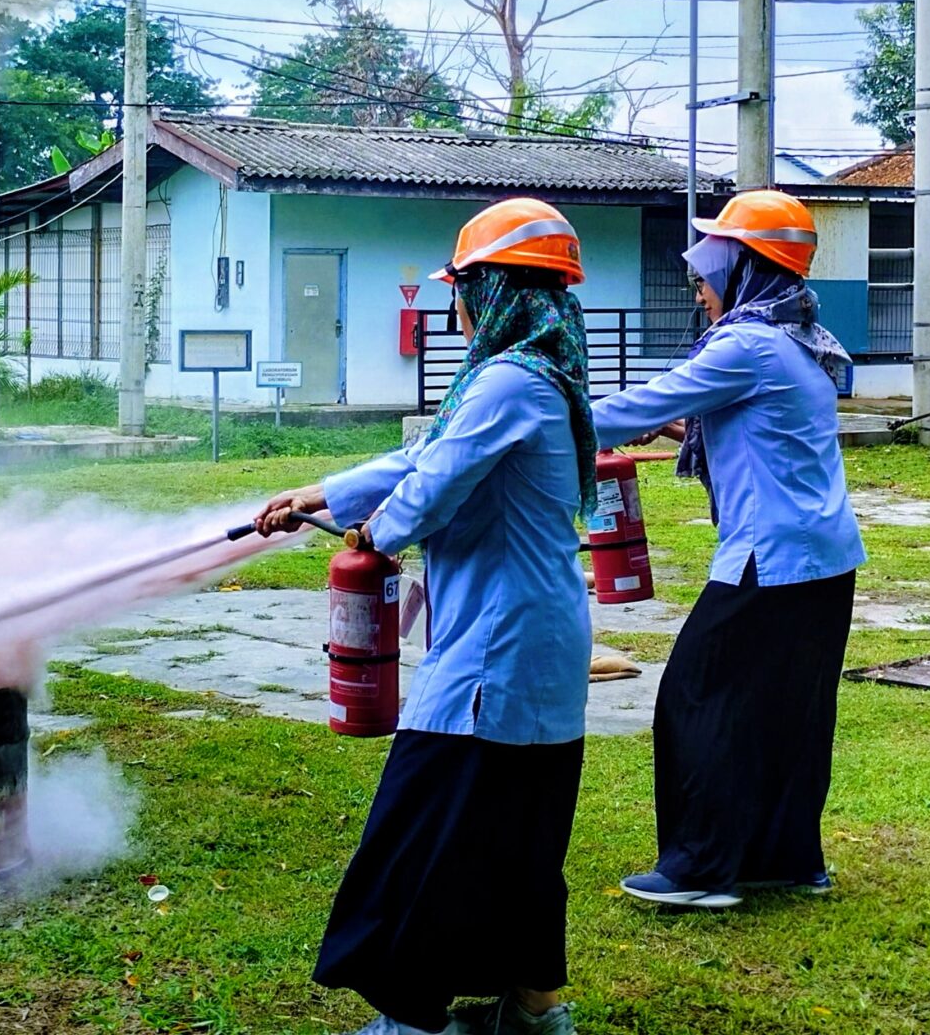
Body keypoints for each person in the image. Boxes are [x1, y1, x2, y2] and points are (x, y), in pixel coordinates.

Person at [253, 197, 594, 1035]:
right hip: (531, 635)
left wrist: (375, 530)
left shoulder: (510, 380)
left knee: (422, 827)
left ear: (494, 290)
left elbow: (434, 487)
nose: (457, 307)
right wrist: (319, 496)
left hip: (498, 646)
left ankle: (413, 1017)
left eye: (463, 289)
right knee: (520, 835)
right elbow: (421, 459)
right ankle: (533, 1008)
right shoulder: (538, 375)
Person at [589, 190, 866, 911]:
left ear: (748, 268)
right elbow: (761, 438)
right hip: (824, 557)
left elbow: (639, 402)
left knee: (696, 696)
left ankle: (699, 869)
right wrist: (679, 431)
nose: (702, 288)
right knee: (786, 712)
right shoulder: (798, 338)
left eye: (713, 269)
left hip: (771, 558)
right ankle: (784, 858)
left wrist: (543, 418)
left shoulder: (747, 345)